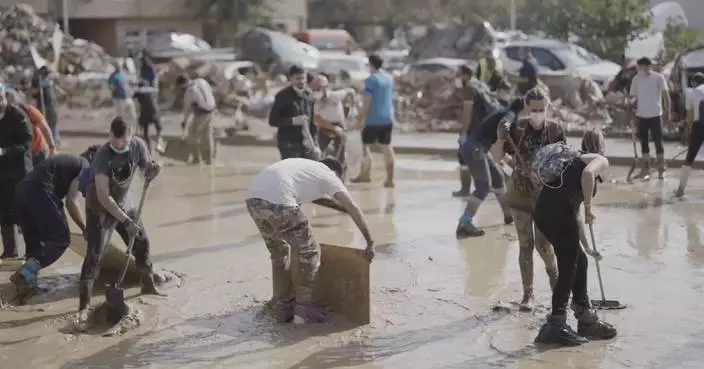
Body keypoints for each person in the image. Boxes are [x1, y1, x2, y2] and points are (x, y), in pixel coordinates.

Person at [246, 157, 374, 324]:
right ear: (337, 173)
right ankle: (304, 310)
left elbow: (319, 200)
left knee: (279, 253)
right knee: (310, 252)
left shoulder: (307, 170)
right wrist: (369, 241)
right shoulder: (330, 176)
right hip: (280, 201)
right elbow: (353, 208)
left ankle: (282, 305)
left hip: (254, 200)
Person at [532, 130, 617, 346]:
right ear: (602, 147)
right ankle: (556, 325)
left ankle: (585, 319)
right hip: (557, 213)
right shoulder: (599, 160)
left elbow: (575, 215)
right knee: (569, 266)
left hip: (544, 212)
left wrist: (587, 246)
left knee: (580, 261)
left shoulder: (572, 164)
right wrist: (590, 207)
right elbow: (588, 175)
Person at [76, 117, 163, 326]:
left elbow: (145, 169)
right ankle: (84, 306)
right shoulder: (102, 157)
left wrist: (153, 170)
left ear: (130, 136)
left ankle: (148, 285)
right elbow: (104, 196)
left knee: (142, 243)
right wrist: (125, 220)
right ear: (110, 136)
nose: (120, 146)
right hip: (100, 209)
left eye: (124, 142)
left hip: (126, 203)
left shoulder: (137, 146)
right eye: (116, 142)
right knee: (94, 255)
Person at [494, 88, 561, 311]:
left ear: (548, 107)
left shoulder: (555, 130)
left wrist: (544, 175)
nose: (538, 114)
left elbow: (564, 161)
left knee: (544, 245)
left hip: (545, 196)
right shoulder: (518, 128)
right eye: (534, 110)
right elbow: (497, 156)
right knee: (526, 245)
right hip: (520, 194)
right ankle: (528, 294)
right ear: (526, 108)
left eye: (542, 109)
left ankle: (557, 287)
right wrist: (500, 138)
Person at [10, 152, 90, 300]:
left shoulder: (69, 162)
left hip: (23, 189)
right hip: (41, 191)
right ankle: (25, 273)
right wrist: (84, 228)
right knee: (61, 239)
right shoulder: (86, 166)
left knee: (34, 242)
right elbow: (72, 202)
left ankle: (26, 284)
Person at [454, 65, 513, 238]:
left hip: (478, 141)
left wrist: (463, 133)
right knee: (483, 185)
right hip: (475, 143)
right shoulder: (476, 88)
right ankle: (464, 222)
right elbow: (468, 112)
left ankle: (509, 214)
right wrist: (464, 134)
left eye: (457, 75)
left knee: (498, 177)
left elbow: (468, 113)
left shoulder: (472, 88)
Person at [0, 85, 34, 259]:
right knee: (4, 212)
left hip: (20, 172)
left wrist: (5, 151)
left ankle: (32, 252)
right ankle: (10, 251)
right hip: (2, 173)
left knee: (24, 212)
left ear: (5, 97)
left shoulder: (18, 115)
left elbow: (27, 143)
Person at [352, 54, 396, 187]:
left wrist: (359, 118)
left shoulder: (371, 80)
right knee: (387, 147)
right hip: (388, 117)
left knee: (365, 147)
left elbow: (367, 103)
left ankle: (365, 175)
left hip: (373, 119)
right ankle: (390, 179)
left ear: (371, 64)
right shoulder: (389, 78)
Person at [629, 57, 671, 180]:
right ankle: (645, 169)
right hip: (641, 115)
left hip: (656, 114)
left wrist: (667, 111)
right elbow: (633, 97)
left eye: (640, 67)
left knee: (658, 142)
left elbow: (665, 95)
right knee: (644, 143)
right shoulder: (636, 79)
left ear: (648, 67)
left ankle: (661, 168)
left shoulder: (658, 78)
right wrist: (631, 107)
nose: (639, 70)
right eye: (638, 68)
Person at [269, 65, 319, 160]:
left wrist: (315, 145)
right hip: (288, 143)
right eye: (297, 78)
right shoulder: (282, 96)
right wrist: (293, 121)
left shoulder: (309, 96)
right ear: (291, 78)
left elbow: (313, 124)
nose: (301, 81)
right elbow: (272, 120)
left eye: (303, 78)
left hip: (306, 143)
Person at [310, 74, 355, 178]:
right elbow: (317, 119)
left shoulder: (335, 95)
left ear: (325, 88)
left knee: (341, 155)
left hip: (339, 124)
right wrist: (334, 128)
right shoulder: (315, 103)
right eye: (314, 89)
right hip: (324, 126)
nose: (316, 91)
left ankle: (341, 177)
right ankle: (319, 176)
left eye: (318, 89)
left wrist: (352, 106)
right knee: (319, 153)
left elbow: (351, 91)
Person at [6, 88, 56, 166]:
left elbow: (44, 128)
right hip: (19, 152)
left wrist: (52, 147)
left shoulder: (28, 110)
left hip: (37, 150)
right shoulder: (4, 114)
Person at [177, 74, 217, 164]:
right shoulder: (201, 81)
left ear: (182, 85)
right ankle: (209, 159)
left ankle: (196, 159)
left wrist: (184, 122)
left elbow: (187, 109)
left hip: (202, 113)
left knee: (192, 137)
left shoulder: (189, 91)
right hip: (211, 111)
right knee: (207, 136)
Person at [675, 73, 704, 197]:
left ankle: (680, 189)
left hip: (699, 125)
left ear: (693, 83)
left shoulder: (692, 92)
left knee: (689, 158)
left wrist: (688, 133)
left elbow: (690, 115)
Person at [29, 65, 60, 146]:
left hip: (51, 104)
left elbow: (54, 88)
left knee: (53, 122)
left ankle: (55, 141)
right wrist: (39, 87)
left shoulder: (49, 78)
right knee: (43, 123)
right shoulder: (37, 79)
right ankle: (47, 142)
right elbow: (33, 91)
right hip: (43, 105)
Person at [133, 81, 164, 153]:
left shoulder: (138, 92)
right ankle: (158, 144)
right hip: (154, 112)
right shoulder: (151, 91)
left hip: (145, 113)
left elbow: (134, 100)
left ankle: (150, 148)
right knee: (159, 129)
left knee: (145, 132)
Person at [108, 61, 137, 129]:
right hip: (119, 98)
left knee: (132, 114)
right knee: (121, 116)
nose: (119, 67)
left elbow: (128, 83)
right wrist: (115, 88)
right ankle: (121, 130)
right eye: (118, 66)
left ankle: (131, 129)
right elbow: (111, 87)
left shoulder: (124, 74)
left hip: (127, 97)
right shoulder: (113, 76)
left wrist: (131, 90)